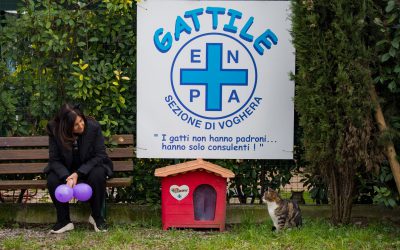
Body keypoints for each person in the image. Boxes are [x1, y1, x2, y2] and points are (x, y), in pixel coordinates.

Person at [44, 103, 113, 234]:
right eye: (76, 125)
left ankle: (97, 217)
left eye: (81, 121)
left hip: (90, 167)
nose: (81, 125)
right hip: (67, 170)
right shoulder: (54, 130)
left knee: (98, 174)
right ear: (66, 126)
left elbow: (100, 155)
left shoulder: (93, 127)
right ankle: (64, 221)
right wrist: (67, 176)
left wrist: (78, 173)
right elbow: (54, 160)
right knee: (52, 179)